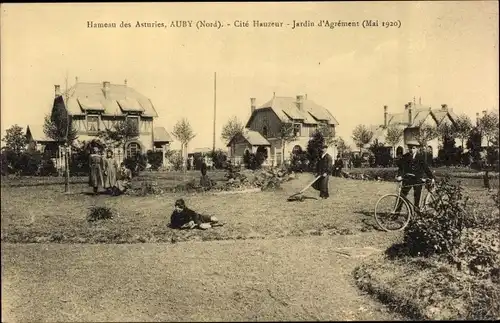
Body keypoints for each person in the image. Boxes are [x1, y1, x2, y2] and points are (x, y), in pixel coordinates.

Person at [395, 141, 435, 212]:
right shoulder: (405, 157)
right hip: (407, 179)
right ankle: (396, 212)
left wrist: (431, 177)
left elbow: (426, 168)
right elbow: (401, 167)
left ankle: (416, 213)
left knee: (417, 197)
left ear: (417, 149)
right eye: (410, 148)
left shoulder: (421, 157)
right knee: (402, 196)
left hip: (417, 180)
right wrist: (400, 175)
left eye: (413, 148)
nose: (411, 150)